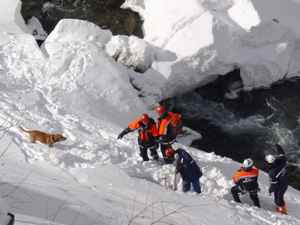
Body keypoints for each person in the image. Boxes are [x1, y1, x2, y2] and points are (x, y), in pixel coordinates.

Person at [265, 144, 288, 214]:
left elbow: (273, 185)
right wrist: (278, 146)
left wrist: (270, 190)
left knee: (278, 199)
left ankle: (283, 209)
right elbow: (282, 153)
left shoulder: (272, 172)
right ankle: (280, 204)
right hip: (284, 181)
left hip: (281, 186)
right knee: (278, 197)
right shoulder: (282, 160)